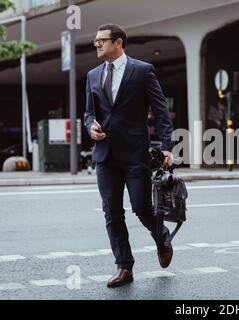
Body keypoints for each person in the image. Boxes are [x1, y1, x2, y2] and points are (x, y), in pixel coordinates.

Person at [84, 24, 175, 288]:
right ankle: (124, 266)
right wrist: (91, 126)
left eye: (101, 40)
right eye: (96, 40)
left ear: (119, 42)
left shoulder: (142, 70)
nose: (97, 44)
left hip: (136, 153)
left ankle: (161, 235)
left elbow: (161, 111)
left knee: (141, 207)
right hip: (105, 154)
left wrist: (167, 146)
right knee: (111, 212)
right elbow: (89, 113)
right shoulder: (92, 75)